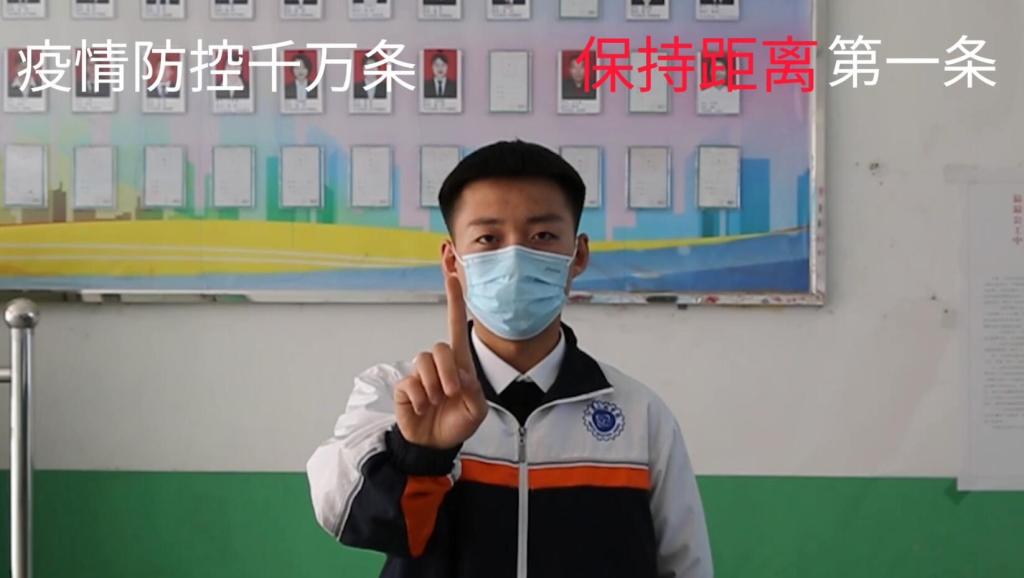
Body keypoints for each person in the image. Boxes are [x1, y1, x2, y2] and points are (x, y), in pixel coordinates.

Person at [306, 140, 713, 578]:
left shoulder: (640, 416)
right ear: (452, 261)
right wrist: (421, 454)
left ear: (578, 255)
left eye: (543, 236)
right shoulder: (401, 394)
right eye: (488, 238)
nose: (515, 257)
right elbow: (342, 512)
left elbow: (686, 565)